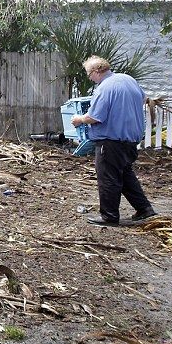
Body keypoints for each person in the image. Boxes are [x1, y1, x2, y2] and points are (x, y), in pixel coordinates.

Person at [71, 55, 157, 226]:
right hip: (131, 139)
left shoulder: (105, 88)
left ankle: (109, 216)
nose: (90, 79)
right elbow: (141, 99)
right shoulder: (128, 79)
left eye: (89, 75)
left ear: (96, 71)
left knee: (108, 177)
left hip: (111, 141)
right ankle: (144, 209)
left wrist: (79, 119)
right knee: (125, 175)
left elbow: (95, 117)